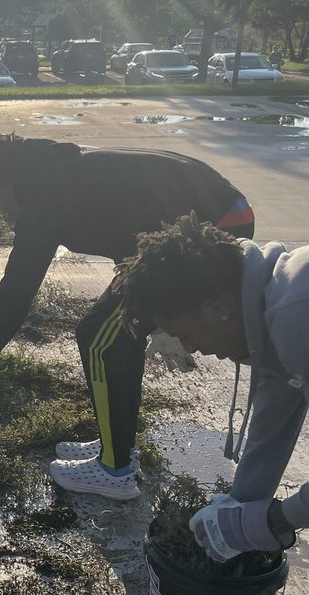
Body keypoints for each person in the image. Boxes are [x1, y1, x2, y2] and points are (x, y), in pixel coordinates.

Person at [0, 135, 256, 501]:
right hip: (216, 217)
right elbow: (132, 220)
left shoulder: (43, 195)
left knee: (102, 338)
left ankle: (115, 469)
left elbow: (17, 290)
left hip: (217, 228)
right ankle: (115, 446)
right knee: (112, 334)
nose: (4, 212)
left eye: (0, 200)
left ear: (11, 180)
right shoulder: (57, 171)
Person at [114, 214, 308, 559]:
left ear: (217, 309)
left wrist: (275, 520)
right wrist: (240, 506)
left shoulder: (296, 317)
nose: (190, 349)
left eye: (184, 334)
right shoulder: (268, 315)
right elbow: (272, 421)